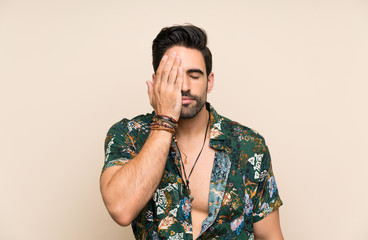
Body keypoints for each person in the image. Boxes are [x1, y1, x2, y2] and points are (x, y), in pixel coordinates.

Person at [100, 24, 283, 240]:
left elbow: (270, 236)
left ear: (210, 81)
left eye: (194, 76)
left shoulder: (249, 145)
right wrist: (165, 121)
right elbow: (121, 209)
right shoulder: (129, 134)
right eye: (173, 76)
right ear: (158, 80)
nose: (185, 86)